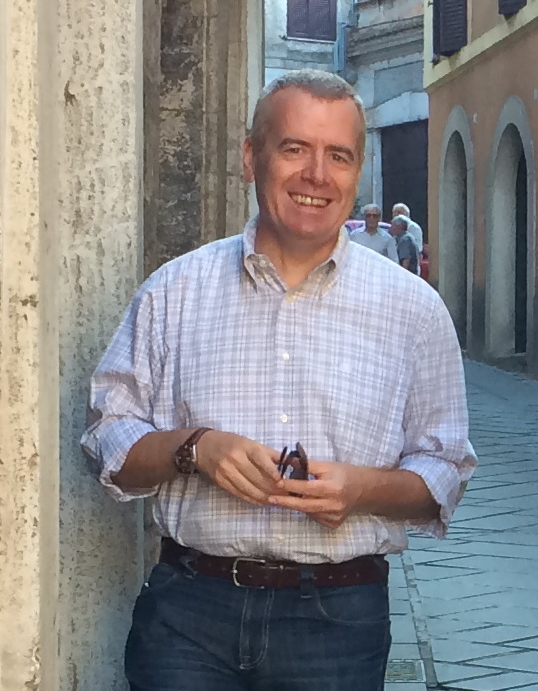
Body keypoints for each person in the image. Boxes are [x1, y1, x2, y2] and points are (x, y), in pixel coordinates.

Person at [81, 69, 476, 691]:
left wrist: (362, 489)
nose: (317, 175)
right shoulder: (174, 292)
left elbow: (444, 472)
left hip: (338, 621)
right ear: (250, 157)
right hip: (189, 613)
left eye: (338, 156)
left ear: (357, 170)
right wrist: (194, 449)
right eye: (294, 148)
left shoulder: (413, 310)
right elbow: (108, 443)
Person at [392, 202, 423, 274]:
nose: (394, 215)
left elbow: (410, 253)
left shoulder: (412, 229)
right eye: (393, 213)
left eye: (398, 212)